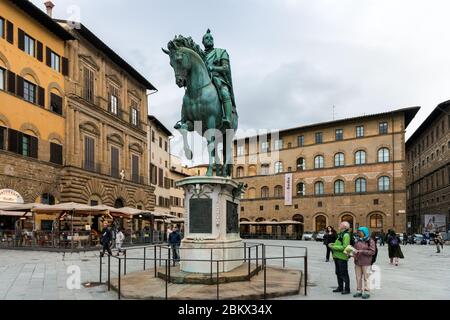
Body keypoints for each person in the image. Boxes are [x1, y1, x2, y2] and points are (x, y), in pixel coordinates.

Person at [202, 29, 236, 129]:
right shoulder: (200, 56)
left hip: (218, 79)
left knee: (225, 93)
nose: (209, 39)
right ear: (203, 42)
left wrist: (213, 68)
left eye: (211, 38)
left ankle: (228, 118)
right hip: (204, 80)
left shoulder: (221, 52)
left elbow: (225, 68)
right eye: (206, 38)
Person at [352, 227, 376, 299]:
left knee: (366, 278)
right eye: (358, 232)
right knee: (358, 277)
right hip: (357, 261)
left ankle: (366, 292)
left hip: (366, 262)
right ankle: (359, 291)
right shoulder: (357, 240)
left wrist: (361, 251)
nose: (359, 233)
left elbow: (372, 252)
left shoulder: (370, 241)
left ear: (365, 232)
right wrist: (351, 253)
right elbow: (355, 250)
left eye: (360, 232)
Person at [329, 221, 352, 294]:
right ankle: (340, 287)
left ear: (344, 227)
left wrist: (333, 247)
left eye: (340, 225)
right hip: (337, 256)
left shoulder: (346, 235)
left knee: (344, 273)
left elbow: (345, 247)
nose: (339, 225)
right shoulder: (341, 234)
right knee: (338, 272)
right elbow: (339, 243)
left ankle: (347, 289)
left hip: (342, 257)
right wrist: (333, 244)